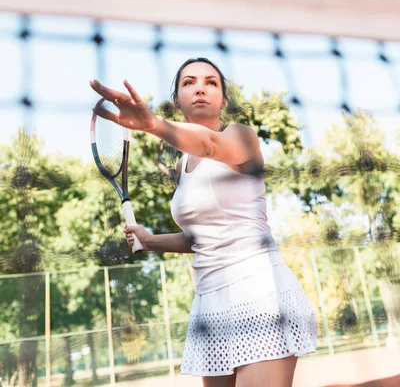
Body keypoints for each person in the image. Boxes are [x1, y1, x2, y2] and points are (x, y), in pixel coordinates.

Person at [90, 57, 317, 387]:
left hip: (260, 292)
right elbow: (198, 238)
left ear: (223, 100)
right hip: (210, 303)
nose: (200, 87)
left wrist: (153, 124)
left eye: (211, 82)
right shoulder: (182, 166)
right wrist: (150, 239)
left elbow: (209, 143)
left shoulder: (240, 136)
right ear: (177, 100)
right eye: (189, 82)